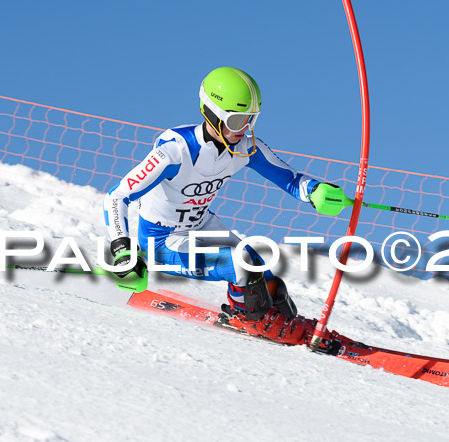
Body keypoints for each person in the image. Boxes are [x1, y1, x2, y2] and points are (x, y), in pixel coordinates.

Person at [103, 66, 346, 347]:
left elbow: (290, 179)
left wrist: (316, 191)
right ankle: (247, 318)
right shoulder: (175, 151)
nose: (243, 129)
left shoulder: (245, 146)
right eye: (237, 120)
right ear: (212, 113)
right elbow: (117, 197)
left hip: (202, 225)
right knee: (241, 267)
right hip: (163, 240)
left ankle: (282, 320)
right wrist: (122, 251)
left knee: (266, 277)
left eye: (251, 120)